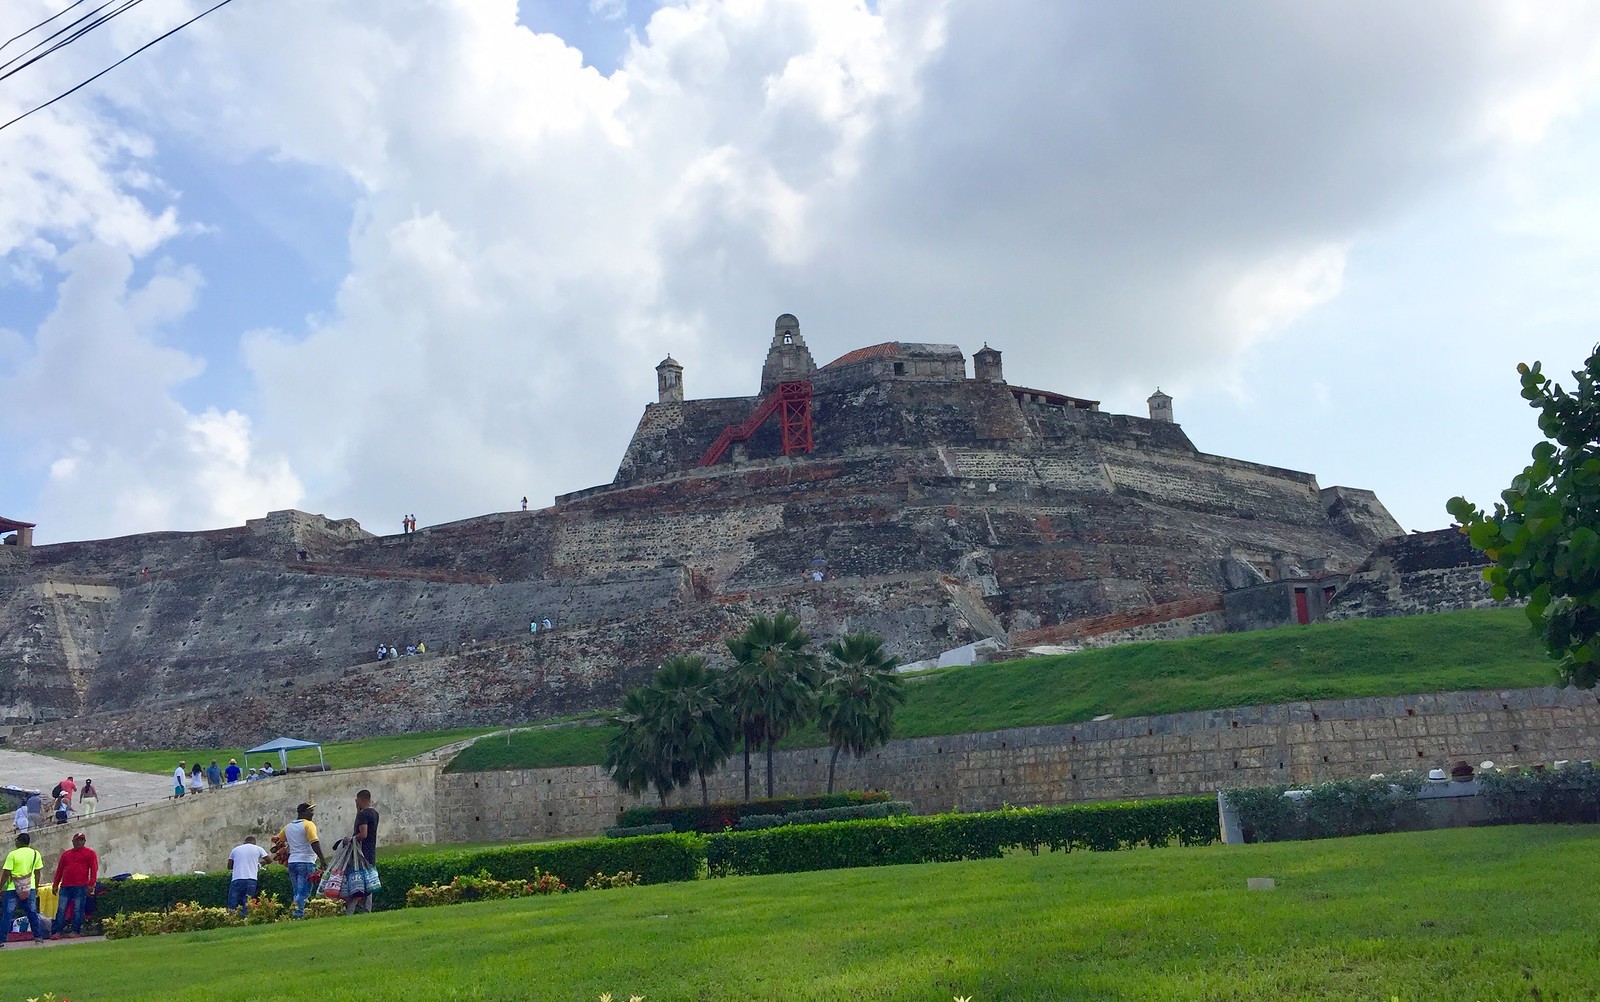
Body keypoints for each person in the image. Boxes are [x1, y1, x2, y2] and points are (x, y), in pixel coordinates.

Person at [277, 802, 325, 918]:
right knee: (304, 892)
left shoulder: (288, 827)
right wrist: (323, 860)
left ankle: (296, 912)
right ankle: (298, 915)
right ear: (303, 812)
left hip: (293, 862)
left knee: (297, 892)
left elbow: (279, 840)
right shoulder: (308, 825)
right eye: (310, 811)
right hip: (306, 861)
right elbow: (314, 842)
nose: (312, 814)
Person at [0, 832, 46, 946]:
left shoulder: (13, 854)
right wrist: (35, 886)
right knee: (32, 912)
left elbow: (6, 873)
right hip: (29, 887)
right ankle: (38, 937)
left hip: (12, 887)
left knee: (7, 913)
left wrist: (0, 887)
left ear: (19, 842)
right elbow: (37, 872)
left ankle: (1, 939)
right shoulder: (35, 853)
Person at [50, 831, 98, 938]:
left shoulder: (90, 853)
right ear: (73, 841)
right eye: (77, 840)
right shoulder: (66, 855)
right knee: (61, 909)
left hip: (80, 886)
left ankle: (75, 930)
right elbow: (59, 870)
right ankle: (58, 931)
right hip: (66, 886)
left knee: (78, 909)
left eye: (81, 840)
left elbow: (93, 869)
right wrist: (55, 884)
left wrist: (91, 884)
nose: (79, 842)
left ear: (84, 841)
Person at [346, 789, 380, 915]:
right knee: (368, 882)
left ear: (360, 800)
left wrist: (350, 840)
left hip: (360, 854)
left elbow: (363, 834)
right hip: (371, 852)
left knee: (357, 881)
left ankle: (350, 911)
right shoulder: (374, 813)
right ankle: (367, 910)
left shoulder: (363, 815)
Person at [226, 835, 270, 918]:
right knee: (247, 902)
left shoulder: (235, 850)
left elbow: (229, 866)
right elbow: (269, 860)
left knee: (233, 901)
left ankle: (231, 919)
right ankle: (245, 919)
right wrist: (259, 864)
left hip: (237, 879)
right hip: (251, 879)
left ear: (244, 842)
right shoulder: (258, 848)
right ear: (254, 842)